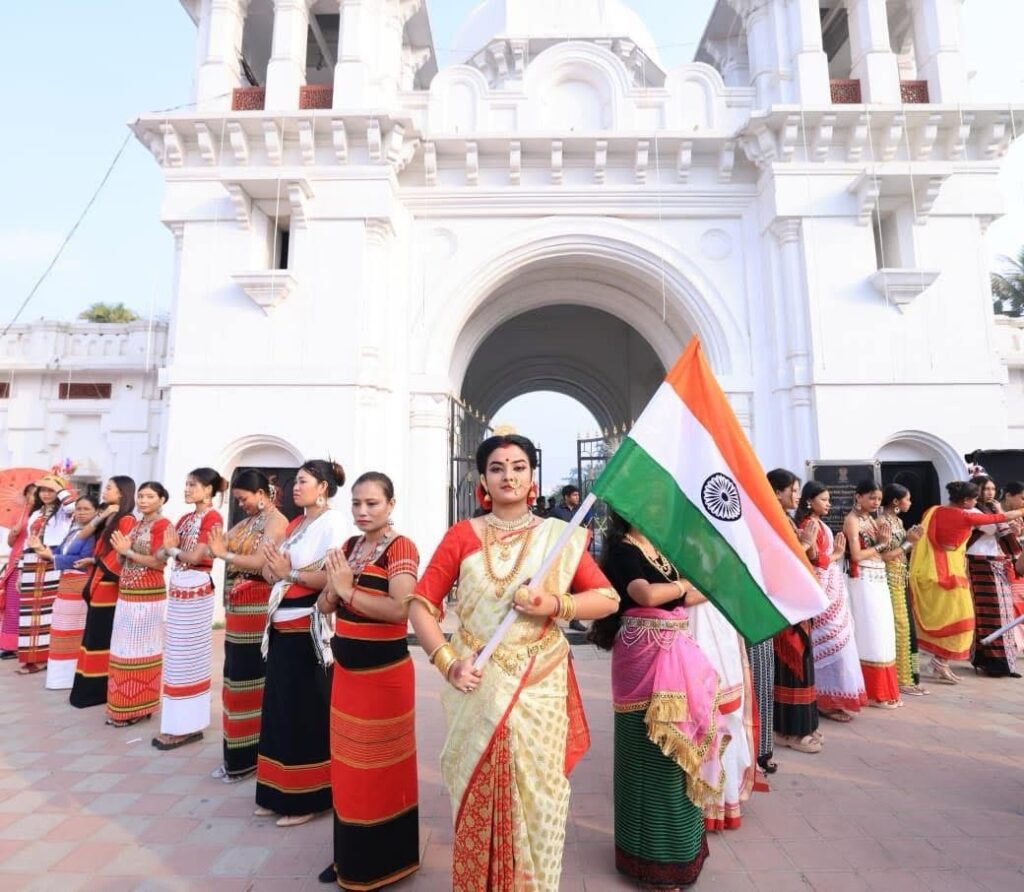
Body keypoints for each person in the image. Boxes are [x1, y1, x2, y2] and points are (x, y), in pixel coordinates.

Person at [407, 433, 618, 891]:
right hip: (476, 684)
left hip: (538, 683)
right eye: (498, 468)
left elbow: (605, 598)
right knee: (475, 786)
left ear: (532, 478)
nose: (509, 475)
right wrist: (448, 662)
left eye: (518, 467)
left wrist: (553, 604)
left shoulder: (557, 538)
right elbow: (421, 605)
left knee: (540, 800)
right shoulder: (461, 536)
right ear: (483, 478)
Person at [589, 512, 724, 886]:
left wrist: (715, 585)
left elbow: (687, 594)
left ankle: (681, 852)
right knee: (648, 753)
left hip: (676, 654)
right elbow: (645, 594)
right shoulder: (621, 550)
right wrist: (683, 585)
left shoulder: (661, 551)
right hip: (642, 658)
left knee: (677, 754)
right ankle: (649, 862)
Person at [317, 472, 421, 890]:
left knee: (382, 769)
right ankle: (349, 856)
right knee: (346, 766)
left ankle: (385, 861)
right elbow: (326, 601)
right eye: (357, 503)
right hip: (347, 674)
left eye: (372, 503)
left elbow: (401, 610)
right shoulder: (347, 547)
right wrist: (334, 590)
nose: (362, 511)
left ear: (391, 505)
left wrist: (347, 591)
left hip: (385, 677)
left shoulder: (401, 548)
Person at [254, 459, 348, 828]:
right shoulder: (296, 524)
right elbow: (272, 569)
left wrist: (288, 572)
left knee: (304, 712)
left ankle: (309, 796)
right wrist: (269, 565)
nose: (295, 488)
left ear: (323, 486)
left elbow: (333, 576)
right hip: (280, 624)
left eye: (304, 481)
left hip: (308, 627)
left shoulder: (334, 523)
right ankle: (275, 791)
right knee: (278, 710)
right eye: (295, 482)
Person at [207, 470, 287, 783]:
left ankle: (249, 756)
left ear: (262, 494)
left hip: (258, 604)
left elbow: (260, 562)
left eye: (244, 499)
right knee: (233, 680)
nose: (241, 505)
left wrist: (223, 554)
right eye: (238, 499)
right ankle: (236, 755)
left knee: (250, 681)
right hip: (239, 608)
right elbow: (216, 545)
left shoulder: (275, 521)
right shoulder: (246, 522)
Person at [910, 480, 1024, 684]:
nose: (976, 501)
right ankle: (940, 662)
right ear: (965, 500)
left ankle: (940, 662)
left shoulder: (934, 511)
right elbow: (1002, 517)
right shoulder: (965, 516)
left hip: (932, 570)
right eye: (974, 498)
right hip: (948, 573)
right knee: (960, 620)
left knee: (946, 618)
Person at [147, 468, 227, 750]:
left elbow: (195, 556)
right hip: (181, 587)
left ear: (208, 490)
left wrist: (169, 551)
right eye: (186, 484)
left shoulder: (213, 518)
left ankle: (187, 726)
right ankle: (178, 724)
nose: (187, 489)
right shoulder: (185, 518)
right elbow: (163, 551)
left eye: (193, 485)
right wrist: (166, 550)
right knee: (176, 656)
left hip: (196, 588)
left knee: (188, 656)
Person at [796, 482, 866, 722]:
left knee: (840, 641)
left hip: (830, 586)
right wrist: (836, 555)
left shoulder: (817, 523)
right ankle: (825, 700)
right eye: (824, 500)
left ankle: (831, 697)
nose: (828, 504)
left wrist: (834, 556)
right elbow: (814, 558)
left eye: (828, 500)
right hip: (822, 587)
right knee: (830, 642)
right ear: (810, 501)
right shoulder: (809, 524)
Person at [687, 597, 756, 831]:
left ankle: (713, 801)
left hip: (710, 623)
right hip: (693, 621)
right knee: (693, 715)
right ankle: (701, 800)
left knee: (719, 714)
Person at [106, 481, 171, 726]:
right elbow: (123, 558)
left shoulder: (164, 525)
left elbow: (157, 562)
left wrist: (128, 551)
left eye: (150, 496)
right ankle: (122, 706)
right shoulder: (136, 524)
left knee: (142, 649)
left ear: (162, 499)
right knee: (123, 648)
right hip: (127, 591)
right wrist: (122, 552)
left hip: (148, 593)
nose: (143, 501)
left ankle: (139, 706)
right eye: (140, 496)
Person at [766, 469, 822, 756]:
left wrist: (807, 545)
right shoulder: (770, 518)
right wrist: (803, 544)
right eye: (793, 490)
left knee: (802, 662)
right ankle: (789, 730)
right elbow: (777, 560)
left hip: (799, 599)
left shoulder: (786, 518)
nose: (797, 496)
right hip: (785, 602)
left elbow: (807, 555)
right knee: (792, 664)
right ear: (777, 491)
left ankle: (802, 725)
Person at [70, 477, 137, 708]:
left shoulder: (127, 520)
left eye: (109, 488)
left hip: (109, 584)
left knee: (100, 637)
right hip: (100, 578)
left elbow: (119, 555)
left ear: (121, 493)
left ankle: (97, 691)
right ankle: (89, 690)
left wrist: (101, 564)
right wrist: (105, 514)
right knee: (93, 636)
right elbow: (84, 535)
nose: (104, 491)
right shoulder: (112, 517)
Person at [843, 481, 903, 708]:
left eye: (878, 499)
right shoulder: (852, 520)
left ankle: (883, 690)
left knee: (884, 633)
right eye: (871, 498)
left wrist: (888, 544)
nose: (876, 502)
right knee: (871, 634)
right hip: (863, 581)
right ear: (858, 497)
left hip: (878, 577)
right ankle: (871, 691)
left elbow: (884, 550)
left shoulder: (870, 519)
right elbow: (856, 556)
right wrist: (880, 545)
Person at [17, 474, 76, 674]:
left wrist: (58, 486)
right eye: (43, 490)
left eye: (51, 490)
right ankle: (31, 657)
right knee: (30, 614)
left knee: (49, 611)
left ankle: (47, 656)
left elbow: (72, 505)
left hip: (52, 558)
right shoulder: (35, 514)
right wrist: (19, 571)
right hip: (32, 562)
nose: (46, 493)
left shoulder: (65, 513)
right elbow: (27, 543)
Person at [966, 475, 1023, 678]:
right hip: (980, 563)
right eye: (985, 488)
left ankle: (1003, 663)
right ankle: (992, 662)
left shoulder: (992, 511)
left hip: (997, 562)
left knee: (1003, 613)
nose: (990, 492)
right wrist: (1003, 517)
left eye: (992, 488)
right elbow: (995, 527)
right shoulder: (973, 511)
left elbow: (1003, 533)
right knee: (989, 614)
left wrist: (1009, 526)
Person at [41, 495, 99, 690]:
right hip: (66, 585)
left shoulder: (93, 534)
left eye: (86, 509)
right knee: (60, 630)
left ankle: (71, 676)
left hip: (79, 585)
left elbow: (83, 559)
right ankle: (60, 678)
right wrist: (45, 550)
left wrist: (53, 557)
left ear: (96, 513)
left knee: (73, 631)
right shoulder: (74, 530)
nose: (81, 512)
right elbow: (63, 552)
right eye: (79, 509)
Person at [880, 484, 928, 696]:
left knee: (906, 625)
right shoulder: (883, 522)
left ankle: (909, 677)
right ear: (896, 502)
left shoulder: (898, 521)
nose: (910, 503)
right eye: (907, 499)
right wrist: (909, 543)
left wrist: (909, 541)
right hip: (890, 576)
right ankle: (901, 679)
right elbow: (885, 555)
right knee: (898, 625)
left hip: (900, 575)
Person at [0, 484, 36, 659]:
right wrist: (13, 534)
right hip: (15, 561)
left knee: (29, 606)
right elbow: (10, 543)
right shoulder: (20, 514)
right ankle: (9, 644)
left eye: (36, 493)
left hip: (33, 562)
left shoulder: (43, 516)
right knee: (13, 603)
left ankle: (27, 644)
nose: (32, 497)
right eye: (29, 494)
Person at [1002, 481, 1024, 654]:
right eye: (1022, 498)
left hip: (1019, 564)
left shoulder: (1019, 516)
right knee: (1009, 605)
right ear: (1008, 495)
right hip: (1003, 564)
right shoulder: (997, 514)